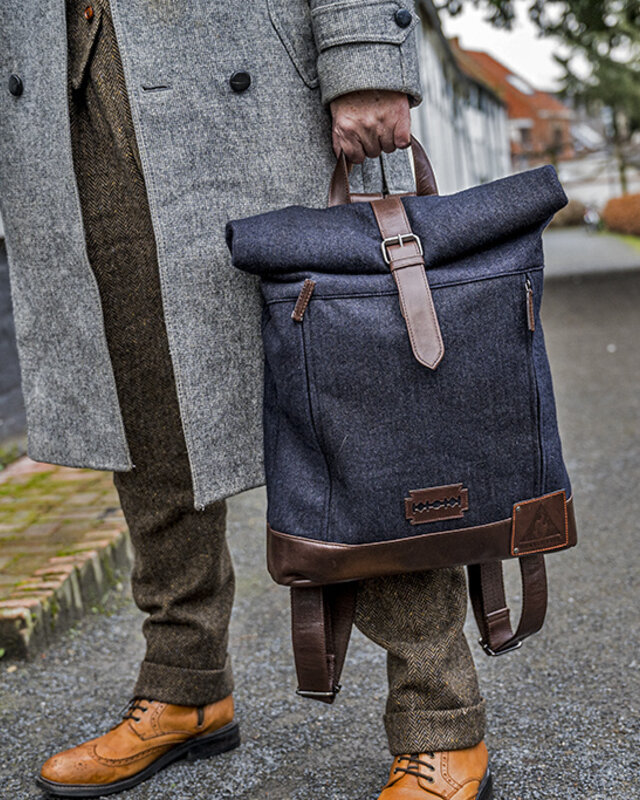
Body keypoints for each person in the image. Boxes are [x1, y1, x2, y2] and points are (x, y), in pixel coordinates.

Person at [1, 1, 490, 797]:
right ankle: (184, 684)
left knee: (356, 414)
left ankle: (439, 716)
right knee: (143, 407)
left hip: (263, 94)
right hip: (65, 105)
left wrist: (365, 59)